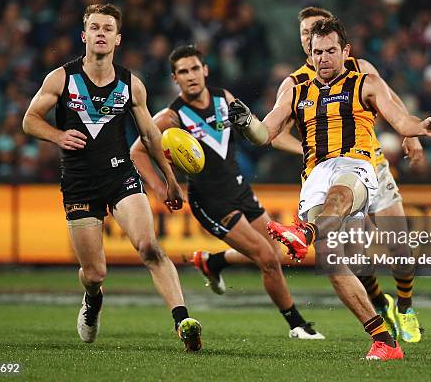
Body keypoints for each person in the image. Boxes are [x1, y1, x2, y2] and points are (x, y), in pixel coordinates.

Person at [228, 17, 431, 360]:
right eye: (316, 50)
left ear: (344, 51)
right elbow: (264, 135)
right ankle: (383, 340)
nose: (322, 57)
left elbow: (401, 120)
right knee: (335, 265)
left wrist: (421, 128)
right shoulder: (294, 88)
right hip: (316, 174)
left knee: (392, 243)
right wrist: (245, 122)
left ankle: (400, 304)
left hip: (360, 165)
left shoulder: (366, 80)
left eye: (330, 50)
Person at [21, 4, 202, 351]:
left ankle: (183, 322)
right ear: (84, 35)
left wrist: (170, 180)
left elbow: (151, 136)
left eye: (108, 28)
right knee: (95, 274)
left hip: (121, 176)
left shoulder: (131, 84)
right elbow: (29, 120)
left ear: (117, 39)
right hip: (79, 183)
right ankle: (92, 299)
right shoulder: (61, 78)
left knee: (149, 247)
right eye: (95, 27)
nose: (101, 33)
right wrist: (57, 136)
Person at [130, 45, 324, 340]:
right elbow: (137, 151)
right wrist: (162, 186)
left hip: (240, 189)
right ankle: (298, 325)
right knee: (266, 259)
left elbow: (254, 132)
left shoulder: (224, 99)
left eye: (195, 69)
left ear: (205, 70)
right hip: (211, 200)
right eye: (183, 72)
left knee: (273, 251)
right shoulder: (171, 117)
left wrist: (250, 123)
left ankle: (213, 262)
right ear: (175, 78)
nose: (191, 76)